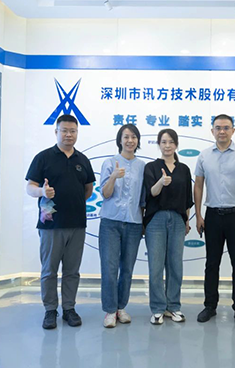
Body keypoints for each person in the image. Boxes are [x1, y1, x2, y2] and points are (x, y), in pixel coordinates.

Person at [25, 114, 95, 330]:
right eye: (64, 130)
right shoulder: (43, 157)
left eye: (73, 131)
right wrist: (42, 192)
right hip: (51, 225)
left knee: (72, 271)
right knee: (49, 270)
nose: (68, 135)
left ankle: (69, 309)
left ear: (77, 133)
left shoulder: (83, 160)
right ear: (56, 132)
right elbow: (30, 187)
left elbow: (88, 189)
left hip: (77, 224)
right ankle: (50, 310)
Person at [194, 114, 235, 328]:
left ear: (233, 130)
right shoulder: (204, 156)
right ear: (212, 131)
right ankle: (210, 306)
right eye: (218, 128)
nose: (222, 131)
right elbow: (198, 186)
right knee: (211, 263)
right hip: (212, 215)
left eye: (226, 128)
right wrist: (198, 215)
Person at [143, 129, 193, 325]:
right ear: (159, 144)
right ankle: (157, 308)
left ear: (176, 145)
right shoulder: (151, 167)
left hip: (178, 220)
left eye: (171, 142)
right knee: (155, 266)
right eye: (164, 142)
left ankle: (173, 306)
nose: (167, 145)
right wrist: (161, 182)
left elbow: (187, 199)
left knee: (175, 265)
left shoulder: (184, 169)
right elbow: (151, 193)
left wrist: (186, 221)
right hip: (156, 219)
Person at [98, 124, 146, 328]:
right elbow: (105, 194)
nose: (130, 141)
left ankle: (121, 307)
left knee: (127, 268)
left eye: (134, 137)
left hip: (134, 223)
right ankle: (110, 310)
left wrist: (143, 222)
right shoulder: (109, 163)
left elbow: (143, 199)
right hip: (110, 222)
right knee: (109, 268)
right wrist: (113, 177)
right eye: (126, 137)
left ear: (138, 141)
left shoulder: (143, 166)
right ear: (120, 140)